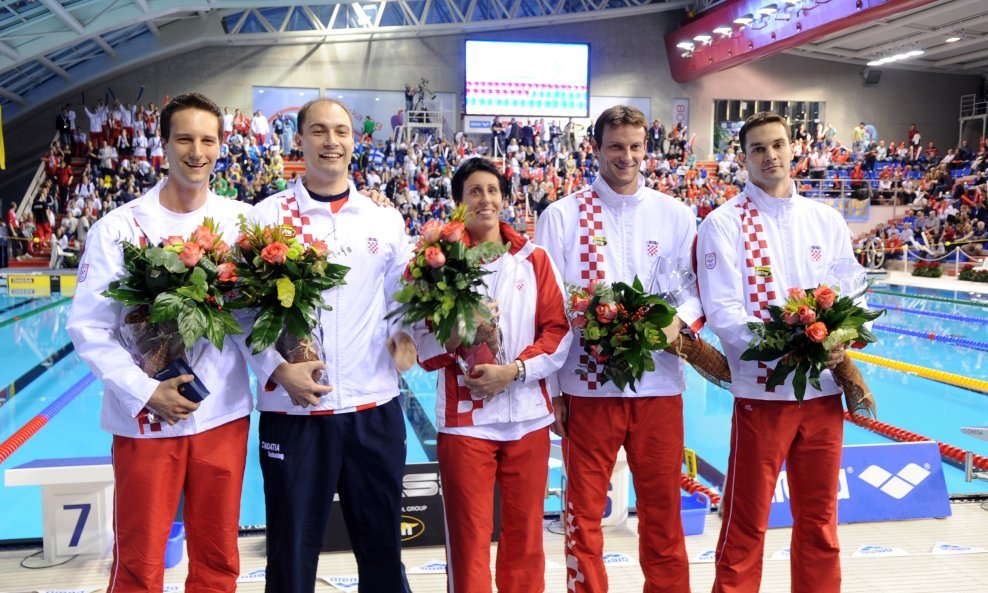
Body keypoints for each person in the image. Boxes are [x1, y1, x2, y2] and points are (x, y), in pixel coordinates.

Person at [66, 93, 253, 593]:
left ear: (221, 147)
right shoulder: (119, 227)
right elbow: (90, 328)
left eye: (208, 140)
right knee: (139, 564)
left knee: (218, 562)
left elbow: (259, 317)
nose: (197, 151)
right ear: (164, 146)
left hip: (223, 416)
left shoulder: (240, 222)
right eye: (185, 139)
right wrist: (146, 391)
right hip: (146, 420)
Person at [241, 97, 415, 593]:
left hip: (372, 407)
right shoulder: (267, 217)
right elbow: (241, 312)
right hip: (295, 414)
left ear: (354, 141)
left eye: (340, 131)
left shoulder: (384, 219)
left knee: (383, 553)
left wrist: (406, 337)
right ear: (300, 140)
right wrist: (276, 370)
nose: (331, 141)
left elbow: (401, 299)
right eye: (318, 131)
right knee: (291, 558)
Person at [534, 105, 703, 593]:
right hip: (586, 387)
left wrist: (680, 320)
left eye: (634, 146)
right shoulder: (561, 216)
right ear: (596, 149)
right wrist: (554, 391)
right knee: (582, 518)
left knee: (662, 512)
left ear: (646, 148)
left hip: (660, 386)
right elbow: (548, 309)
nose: (625, 156)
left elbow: (695, 290)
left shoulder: (674, 214)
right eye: (615, 146)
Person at [696, 111, 861, 593]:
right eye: (758, 149)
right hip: (763, 396)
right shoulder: (723, 224)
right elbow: (723, 311)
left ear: (794, 149)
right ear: (743, 159)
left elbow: (853, 289)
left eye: (778, 145)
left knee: (820, 522)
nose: (770, 156)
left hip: (824, 395)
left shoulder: (825, 219)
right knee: (746, 524)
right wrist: (790, 343)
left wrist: (840, 338)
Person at [413, 158, 572, 593]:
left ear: (505, 198)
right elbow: (421, 349)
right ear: (459, 204)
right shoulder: (436, 266)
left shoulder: (533, 258)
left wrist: (513, 371)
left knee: (525, 539)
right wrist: (454, 338)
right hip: (466, 423)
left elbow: (558, 332)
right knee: (468, 541)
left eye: (492, 190)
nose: (486, 199)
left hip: (527, 419)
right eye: (474, 192)